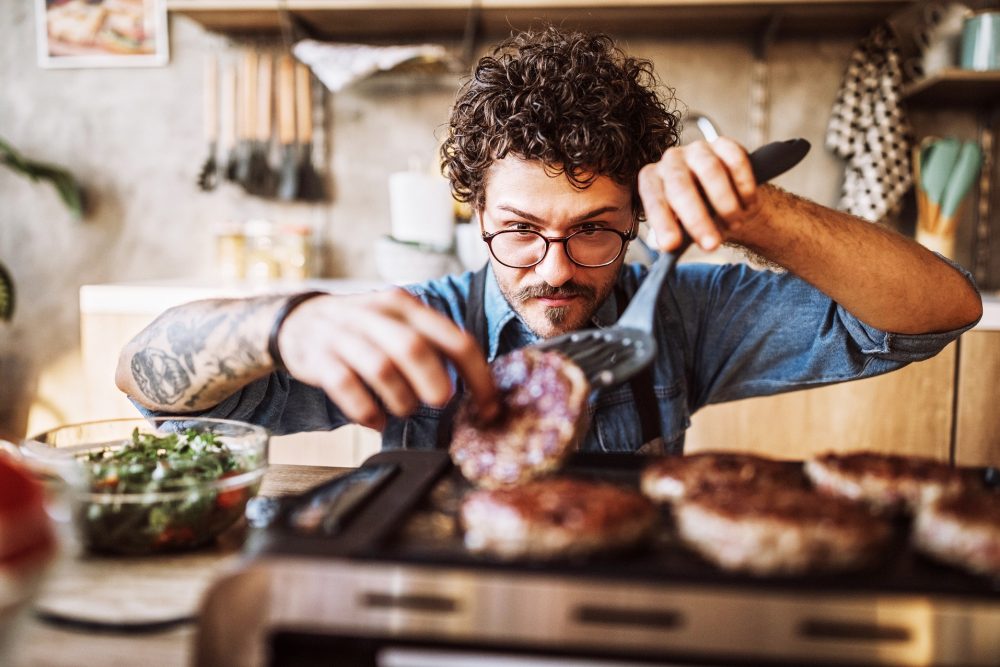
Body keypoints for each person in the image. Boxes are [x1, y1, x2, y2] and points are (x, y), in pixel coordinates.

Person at [117, 27, 982, 455]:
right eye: (520, 232)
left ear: (638, 220)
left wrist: (762, 216)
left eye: (595, 231)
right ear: (475, 215)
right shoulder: (420, 323)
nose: (556, 270)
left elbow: (939, 312)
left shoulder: (681, 313)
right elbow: (150, 386)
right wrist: (285, 324)